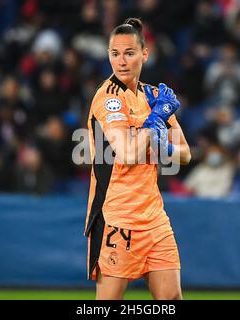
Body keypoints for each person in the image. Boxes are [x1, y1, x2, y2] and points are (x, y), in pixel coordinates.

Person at [84, 18, 191, 300]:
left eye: (129, 53)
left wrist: (161, 144)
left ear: (145, 54)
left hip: (155, 219)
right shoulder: (108, 99)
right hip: (116, 219)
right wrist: (156, 120)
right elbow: (127, 153)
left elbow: (185, 155)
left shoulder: (153, 95)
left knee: (171, 300)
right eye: (115, 54)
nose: (121, 61)